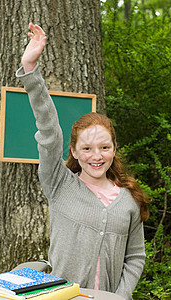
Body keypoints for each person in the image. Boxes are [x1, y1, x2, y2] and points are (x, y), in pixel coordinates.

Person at [15, 23, 149, 300]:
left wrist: (120, 297)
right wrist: (30, 70)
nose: (96, 156)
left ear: (114, 149)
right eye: (87, 148)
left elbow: (135, 257)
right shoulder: (59, 183)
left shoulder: (129, 200)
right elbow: (50, 130)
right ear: (74, 152)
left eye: (104, 147)